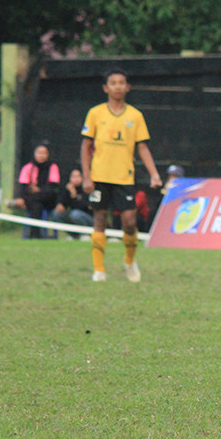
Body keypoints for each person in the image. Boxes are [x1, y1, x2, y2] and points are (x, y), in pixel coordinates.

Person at [80, 69, 162, 282]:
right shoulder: (96, 113)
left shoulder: (135, 116)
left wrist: (154, 174)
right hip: (99, 176)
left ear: (128, 87)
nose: (117, 86)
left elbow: (142, 147)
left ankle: (129, 261)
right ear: (106, 88)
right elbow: (85, 145)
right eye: (113, 83)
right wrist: (87, 176)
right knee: (99, 218)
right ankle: (99, 269)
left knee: (129, 221)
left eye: (121, 83)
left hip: (124, 177)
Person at [18, 144, 61, 239]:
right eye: (39, 153)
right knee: (36, 205)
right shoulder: (28, 167)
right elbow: (23, 186)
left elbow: (54, 186)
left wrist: (39, 190)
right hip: (33, 199)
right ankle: (36, 235)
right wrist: (31, 190)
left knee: (40, 197)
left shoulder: (52, 167)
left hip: (48, 199)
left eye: (44, 153)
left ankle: (34, 235)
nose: (41, 156)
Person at [52, 168, 93, 239]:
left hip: (89, 218)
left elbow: (83, 206)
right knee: (56, 214)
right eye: (73, 177)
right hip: (73, 216)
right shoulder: (68, 188)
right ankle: (74, 235)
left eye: (78, 176)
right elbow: (61, 203)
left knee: (75, 214)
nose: (75, 179)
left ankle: (86, 234)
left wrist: (74, 196)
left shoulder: (87, 188)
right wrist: (60, 204)